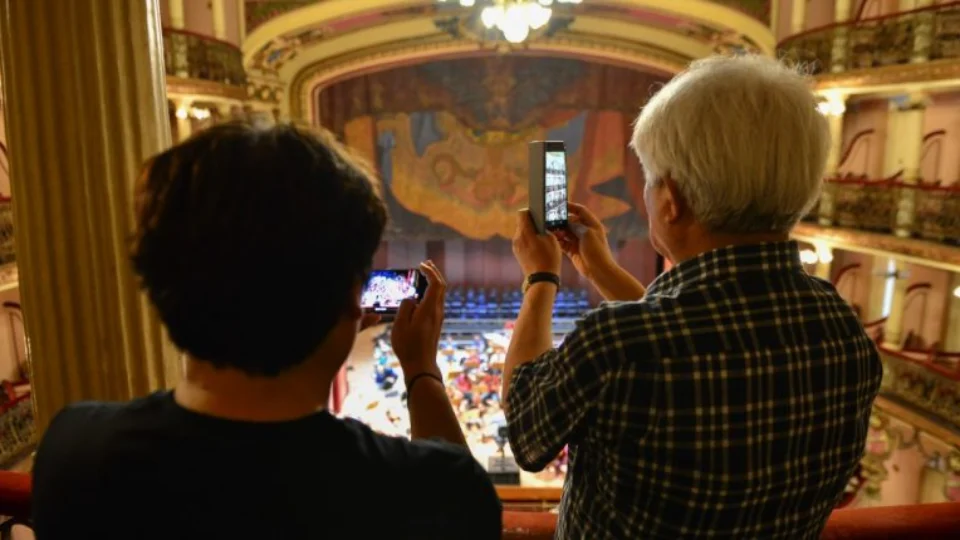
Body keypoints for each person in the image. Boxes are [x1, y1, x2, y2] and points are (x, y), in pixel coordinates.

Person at [32, 123, 501, 539]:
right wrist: (420, 369)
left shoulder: (73, 450)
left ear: (159, 282)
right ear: (351, 299)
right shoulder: (435, 492)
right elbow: (455, 487)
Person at [504, 55, 882, 539]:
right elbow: (694, 335)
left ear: (670, 199)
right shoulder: (838, 324)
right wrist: (599, 269)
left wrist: (540, 279)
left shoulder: (618, 342)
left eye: (649, 178)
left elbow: (525, 425)